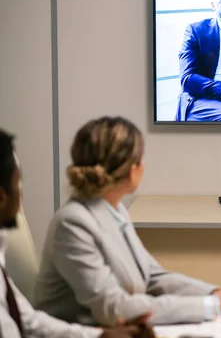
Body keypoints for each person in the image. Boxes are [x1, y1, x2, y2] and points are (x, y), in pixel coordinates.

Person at [33, 116, 221, 326]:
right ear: (131, 170)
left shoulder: (115, 208)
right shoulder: (73, 223)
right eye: (141, 158)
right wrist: (213, 306)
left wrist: (215, 293)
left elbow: (152, 277)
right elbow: (115, 309)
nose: (144, 165)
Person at [0, 128, 154, 337]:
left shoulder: (117, 211)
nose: (22, 192)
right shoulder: (73, 221)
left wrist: (100, 336)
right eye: (18, 182)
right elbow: (111, 304)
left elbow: (27, 322)